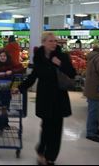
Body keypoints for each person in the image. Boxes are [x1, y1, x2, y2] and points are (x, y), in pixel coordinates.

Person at [13, 32, 76, 165]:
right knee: (46, 127)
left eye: (55, 41)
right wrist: (20, 88)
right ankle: (41, 150)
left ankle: (51, 157)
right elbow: (33, 76)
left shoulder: (62, 56)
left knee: (57, 129)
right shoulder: (39, 57)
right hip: (45, 97)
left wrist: (60, 64)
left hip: (59, 97)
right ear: (43, 42)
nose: (54, 43)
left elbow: (72, 73)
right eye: (51, 41)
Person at [0, 50, 24, 135]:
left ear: (7, 57)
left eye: (4, 56)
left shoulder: (11, 65)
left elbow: (21, 68)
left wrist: (12, 71)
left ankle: (4, 122)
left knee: (4, 106)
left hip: (7, 90)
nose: (2, 57)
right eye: (0, 56)